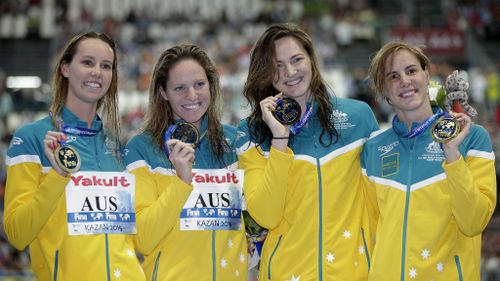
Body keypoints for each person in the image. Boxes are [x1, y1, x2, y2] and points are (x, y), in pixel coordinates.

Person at [235, 23, 379, 281]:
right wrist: (279, 138)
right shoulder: (251, 134)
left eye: (296, 59)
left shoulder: (359, 117)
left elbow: (383, 200)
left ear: (312, 60)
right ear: (266, 73)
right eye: (277, 65)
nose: (289, 72)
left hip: (354, 273)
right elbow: (266, 215)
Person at [4, 32, 146, 280]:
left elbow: (132, 234)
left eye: (106, 66)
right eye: (87, 62)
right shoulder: (32, 138)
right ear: (65, 68)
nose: (97, 72)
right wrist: (58, 175)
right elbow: (18, 234)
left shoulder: (115, 144)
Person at [363, 40, 497, 280]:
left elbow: (473, 222)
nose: (404, 81)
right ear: (382, 89)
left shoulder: (472, 137)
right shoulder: (374, 148)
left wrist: (453, 156)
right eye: (393, 76)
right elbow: (369, 228)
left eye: (411, 71)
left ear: (427, 74)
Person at [124, 44, 248, 280]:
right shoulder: (140, 148)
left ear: (211, 85)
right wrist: (181, 182)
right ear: (163, 92)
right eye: (179, 88)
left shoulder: (236, 141)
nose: (192, 96)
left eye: (199, 84)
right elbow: (144, 239)